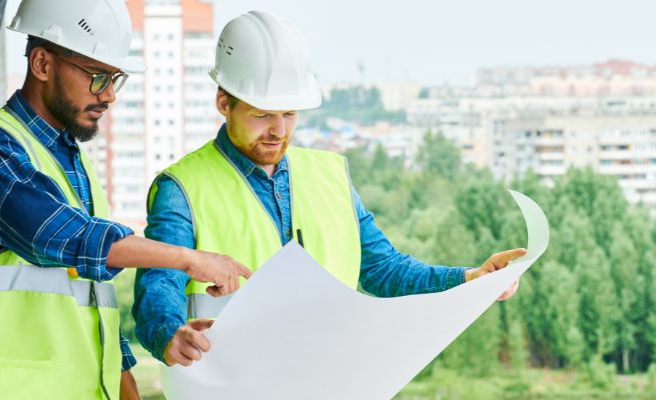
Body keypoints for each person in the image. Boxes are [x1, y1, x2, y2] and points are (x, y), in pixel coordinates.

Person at [133, 10, 522, 368]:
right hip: (236, 384)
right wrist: (168, 335)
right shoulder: (181, 187)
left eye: (289, 113)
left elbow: (383, 270)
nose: (279, 131)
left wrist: (470, 279)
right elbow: (158, 288)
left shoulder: (330, 174)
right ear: (223, 102)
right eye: (262, 114)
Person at [0, 1, 250, 399]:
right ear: (42, 64)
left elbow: (92, 303)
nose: (109, 96)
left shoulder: (71, 161)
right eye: (97, 76)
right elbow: (60, 238)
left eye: (115, 79)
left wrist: (125, 386)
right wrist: (189, 258)